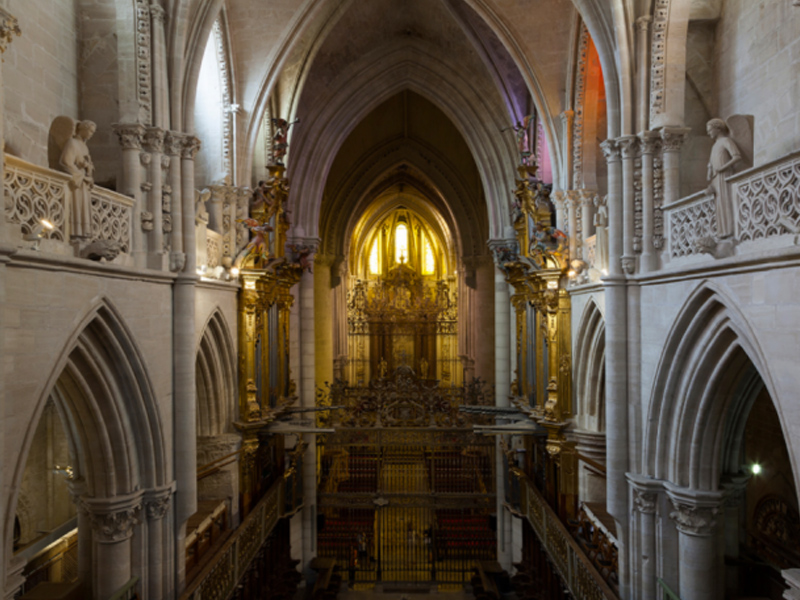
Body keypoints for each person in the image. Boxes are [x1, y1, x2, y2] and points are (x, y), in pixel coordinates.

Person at [60, 120, 96, 240]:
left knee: (84, 209)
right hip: (77, 183)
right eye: (90, 131)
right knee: (76, 207)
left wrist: (88, 169)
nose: (91, 134)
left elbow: (87, 164)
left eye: (93, 132)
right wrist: (81, 175)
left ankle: (84, 234)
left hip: (84, 183)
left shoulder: (84, 147)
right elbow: (66, 162)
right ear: (83, 129)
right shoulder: (72, 142)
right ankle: (76, 234)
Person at [706, 118, 742, 239]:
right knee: (719, 205)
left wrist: (723, 168)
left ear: (718, 128)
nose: (708, 133)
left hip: (726, 176)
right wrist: (709, 171)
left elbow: (737, 156)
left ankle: (730, 231)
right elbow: (710, 163)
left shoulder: (726, 140)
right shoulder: (714, 146)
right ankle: (722, 232)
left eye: (710, 130)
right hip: (716, 178)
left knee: (726, 201)